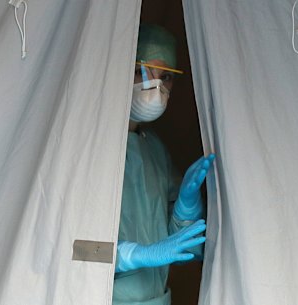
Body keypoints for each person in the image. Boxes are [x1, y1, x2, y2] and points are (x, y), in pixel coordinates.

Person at [113, 24, 216, 305]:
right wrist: (134, 255)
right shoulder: (93, 148)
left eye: (166, 77)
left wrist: (185, 208)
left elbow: (180, 250)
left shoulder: (154, 149)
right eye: (140, 71)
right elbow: (68, 246)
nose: (154, 87)